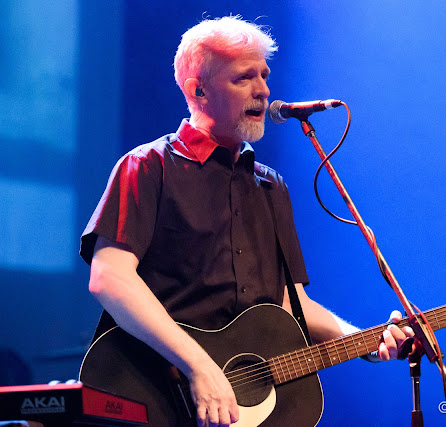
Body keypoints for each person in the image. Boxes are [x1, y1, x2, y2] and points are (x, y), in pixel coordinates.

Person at [80, 16, 413, 426]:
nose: (263, 90)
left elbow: (294, 305)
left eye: (264, 75)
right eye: (244, 78)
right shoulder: (148, 167)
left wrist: (365, 340)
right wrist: (200, 367)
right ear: (197, 89)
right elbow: (109, 279)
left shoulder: (270, 187)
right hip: (156, 396)